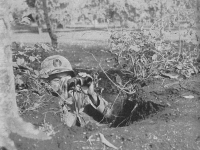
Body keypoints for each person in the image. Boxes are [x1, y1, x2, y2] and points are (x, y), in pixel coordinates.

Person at [40, 55, 112, 127]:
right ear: (45, 82)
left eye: (67, 78)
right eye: (57, 80)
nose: (63, 82)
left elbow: (109, 115)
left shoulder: (77, 95)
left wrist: (92, 94)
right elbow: (62, 128)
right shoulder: (42, 100)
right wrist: (62, 101)